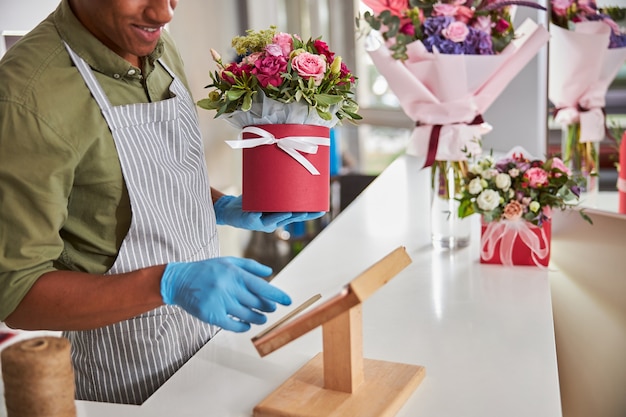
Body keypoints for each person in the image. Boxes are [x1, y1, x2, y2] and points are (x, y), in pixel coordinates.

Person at [0, 0, 323, 405]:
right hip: (126, 383)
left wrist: (220, 206)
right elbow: (18, 295)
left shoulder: (156, 45)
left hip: (211, 349)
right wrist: (167, 283)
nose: (164, 13)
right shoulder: (26, 96)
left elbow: (139, 176)